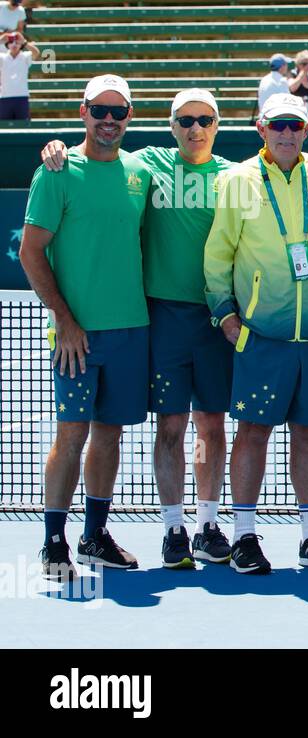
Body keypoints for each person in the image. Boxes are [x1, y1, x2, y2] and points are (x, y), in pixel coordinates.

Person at [41, 89, 238, 569]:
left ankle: (208, 526)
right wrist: (56, 147)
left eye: (205, 120)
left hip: (216, 316)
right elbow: (100, 156)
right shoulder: (146, 165)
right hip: (162, 317)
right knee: (168, 425)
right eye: (186, 120)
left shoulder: (236, 177)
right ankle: (172, 529)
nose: (195, 128)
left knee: (212, 424)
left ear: (217, 124)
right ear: (170, 125)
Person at [204, 93, 308, 575]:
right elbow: (219, 252)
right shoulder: (238, 180)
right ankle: (244, 535)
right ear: (261, 129)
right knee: (253, 434)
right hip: (261, 334)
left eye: (296, 125)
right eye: (278, 125)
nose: (287, 133)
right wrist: (225, 315)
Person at [20, 75, 153, 581]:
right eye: (100, 110)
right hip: (76, 337)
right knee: (71, 434)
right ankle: (54, 542)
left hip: (130, 331)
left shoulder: (140, 171)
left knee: (110, 435)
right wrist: (65, 319)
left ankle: (94, 535)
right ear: (83, 112)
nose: (108, 120)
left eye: (118, 112)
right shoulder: (55, 172)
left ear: (129, 118)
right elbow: (31, 252)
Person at [0, 31, 36, 121]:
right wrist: (1, 39)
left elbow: (36, 53)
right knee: (4, 129)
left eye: (17, 42)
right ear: (7, 45)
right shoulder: (2, 58)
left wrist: (24, 42)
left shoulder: (25, 56)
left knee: (23, 127)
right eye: (11, 42)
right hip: (5, 98)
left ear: (21, 45)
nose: (14, 45)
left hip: (22, 98)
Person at [257, 54, 291, 119]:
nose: (287, 66)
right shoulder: (282, 81)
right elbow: (287, 104)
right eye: (285, 64)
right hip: (275, 121)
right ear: (281, 67)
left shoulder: (264, 79)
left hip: (263, 119)